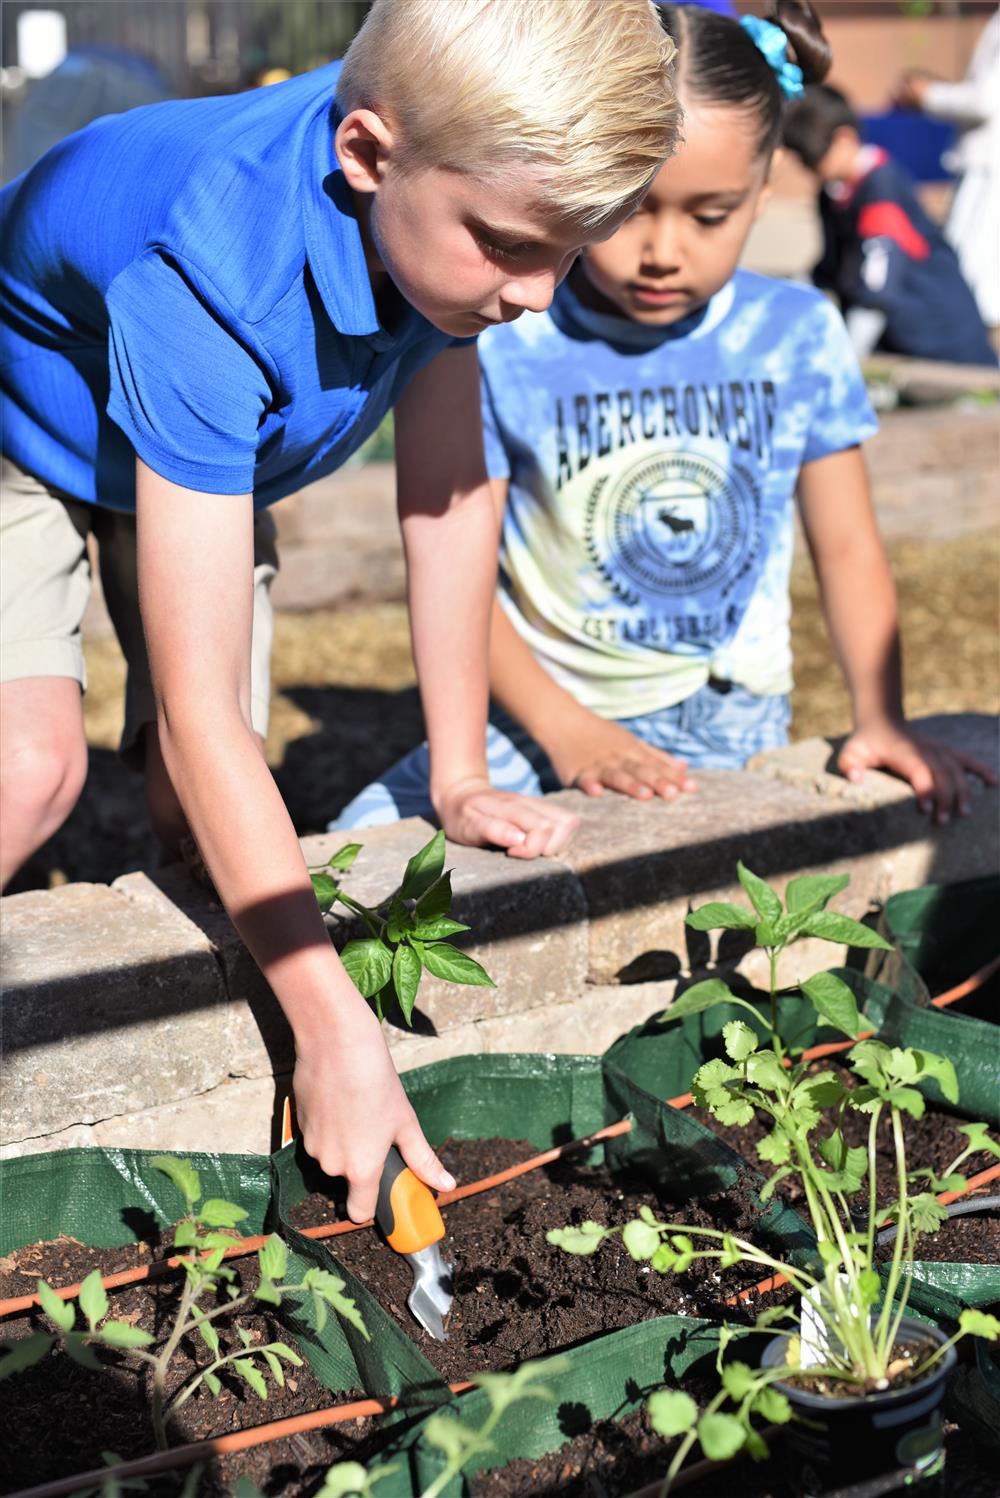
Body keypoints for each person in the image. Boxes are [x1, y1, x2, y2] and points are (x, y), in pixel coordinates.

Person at [0, 0, 678, 1216]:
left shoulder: (445, 183)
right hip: (25, 421)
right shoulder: (215, 274)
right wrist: (336, 1024)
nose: (538, 294)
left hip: (185, 441)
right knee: (31, 770)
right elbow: (207, 708)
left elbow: (447, 499)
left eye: (569, 251)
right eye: (514, 247)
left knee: (194, 819)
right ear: (364, 157)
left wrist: (459, 775)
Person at [333, 1, 993, 838]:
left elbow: (850, 548)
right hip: (539, 722)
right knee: (354, 854)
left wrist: (882, 717)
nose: (663, 251)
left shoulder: (796, 335)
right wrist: (567, 731)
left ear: (764, 189)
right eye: (631, 208)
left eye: (710, 214)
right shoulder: (498, 333)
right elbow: (456, 568)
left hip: (730, 724)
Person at [783, 83, 996, 367]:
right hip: (899, 344)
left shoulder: (881, 189)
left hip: (944, 348)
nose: (812, 170)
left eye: (815, 158)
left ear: (845, 139)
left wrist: (846, 363)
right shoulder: (832, 194)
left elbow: (875, 292)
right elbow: (830, 269)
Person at [894, 6, 999, 342]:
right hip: (983, 164)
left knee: (972, 274)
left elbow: (985, 101)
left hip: (988, 168)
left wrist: (929, 94)